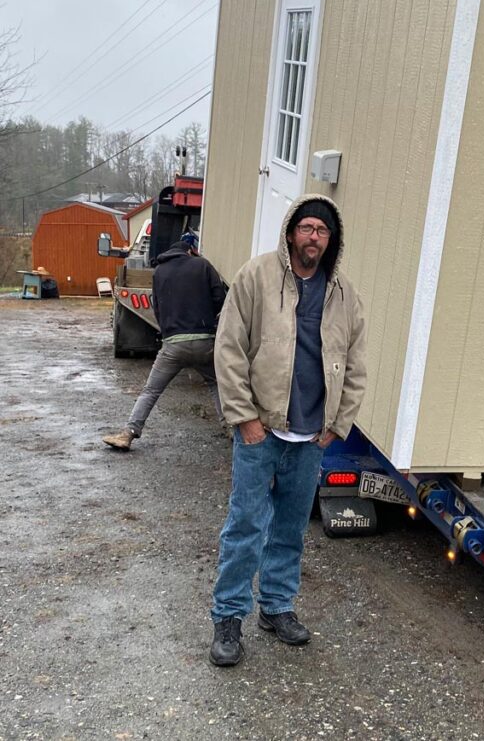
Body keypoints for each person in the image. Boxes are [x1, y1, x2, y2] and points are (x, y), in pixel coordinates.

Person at [209, 194, 366, 667]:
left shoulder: (344, 296)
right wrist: (246, 418)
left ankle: (276, 607)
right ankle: (229, 617)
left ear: (330, 240)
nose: (313, 237)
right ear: (290, 233)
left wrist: (337, 426)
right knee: (245, 526)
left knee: (291, 529)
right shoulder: (255, 278)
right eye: (307, 228)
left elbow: (355, 365)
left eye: (322, 230)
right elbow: (230, 349)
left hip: (311, 436)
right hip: (262, 430)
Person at [102, 232, 226, 451]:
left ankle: (128, 433)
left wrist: (168, 331)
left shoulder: (159, 272)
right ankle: (232, 430)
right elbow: (220, 298)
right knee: (215, 384)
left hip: (173, 345)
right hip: (204, 342)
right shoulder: (202, 265)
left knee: (151, 390)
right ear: (190, 251)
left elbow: (156, 307)